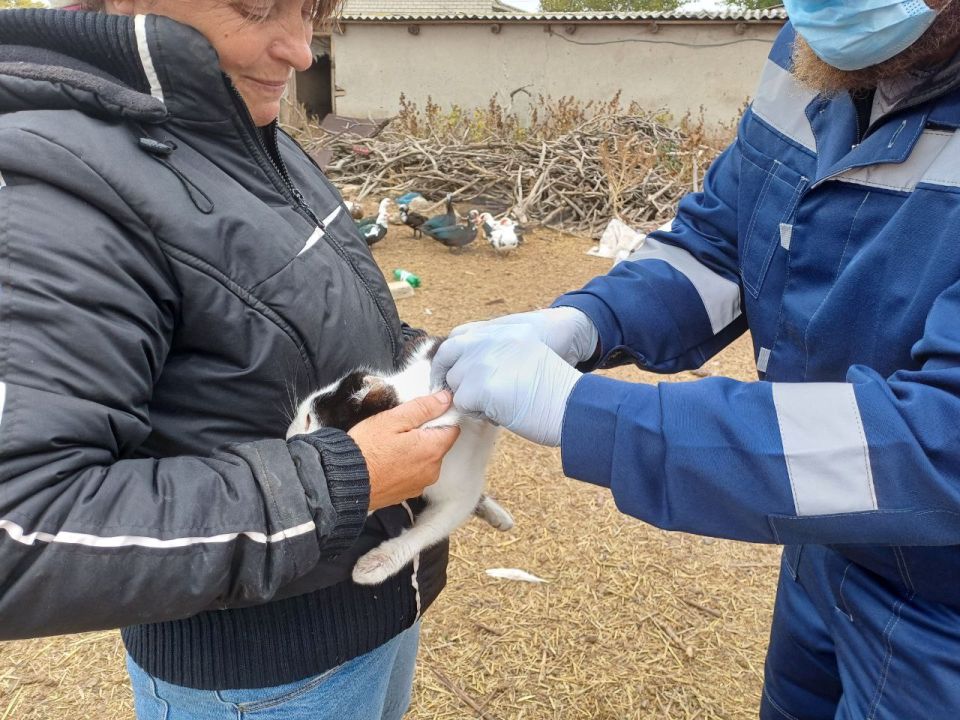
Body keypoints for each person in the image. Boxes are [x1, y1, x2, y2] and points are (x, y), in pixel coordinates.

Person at [433, 1, 960, 717]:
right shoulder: (818, 45)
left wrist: (591, 414)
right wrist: (586, 322)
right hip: (829, 536)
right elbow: (724, 245)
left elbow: (938, 444)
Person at [0, 2, 460, 718]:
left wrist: (441, 362)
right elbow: (17, 534)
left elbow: (317, 329)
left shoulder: (244, 129)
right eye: (254, 5)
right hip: (259, 681)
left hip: (374, 617)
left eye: (311, 9)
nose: (302, 50)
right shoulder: (49, 182)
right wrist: (344, 479)